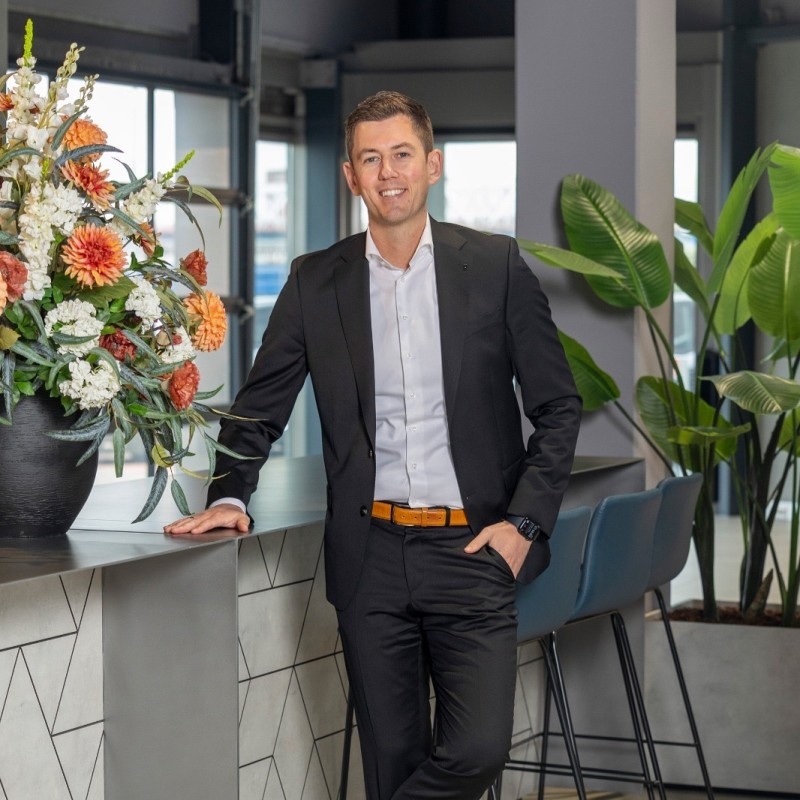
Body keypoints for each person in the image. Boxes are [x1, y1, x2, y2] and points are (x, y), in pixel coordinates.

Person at [165, 90, 582, 800]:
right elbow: (260, 406)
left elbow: (557, 405)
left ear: (432, 165)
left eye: (402, 154)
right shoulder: (314, 281)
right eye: (370, 158)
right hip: (371, 558)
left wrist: (523, 524)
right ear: (351, 176)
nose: (388, 172)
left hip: (474, 548)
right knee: (391, 766)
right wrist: (230, 494)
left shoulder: (495, 267)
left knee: (478, 751)